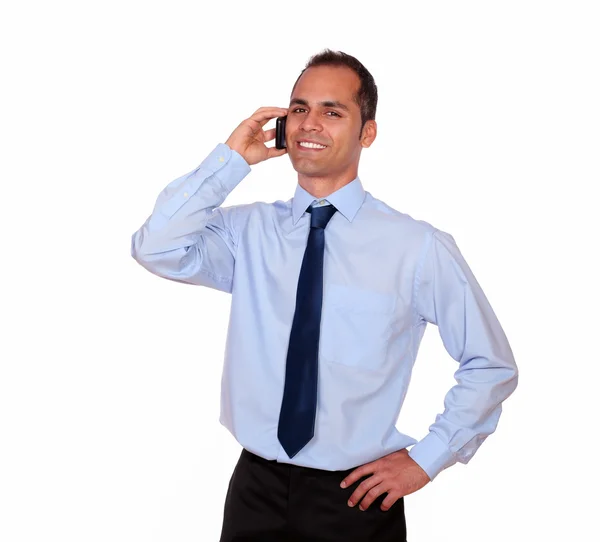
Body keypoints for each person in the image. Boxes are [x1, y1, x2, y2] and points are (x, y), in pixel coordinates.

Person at [130, 49, 518, 542]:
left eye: (332, 111)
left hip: (356, 500)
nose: (309, 123)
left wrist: (426, 459)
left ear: (367, 132)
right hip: (254, 491)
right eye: (299, 108)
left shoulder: (417, 248)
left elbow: (491, 364)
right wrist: (230, 161)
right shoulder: (247, 233)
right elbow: (155, 247)